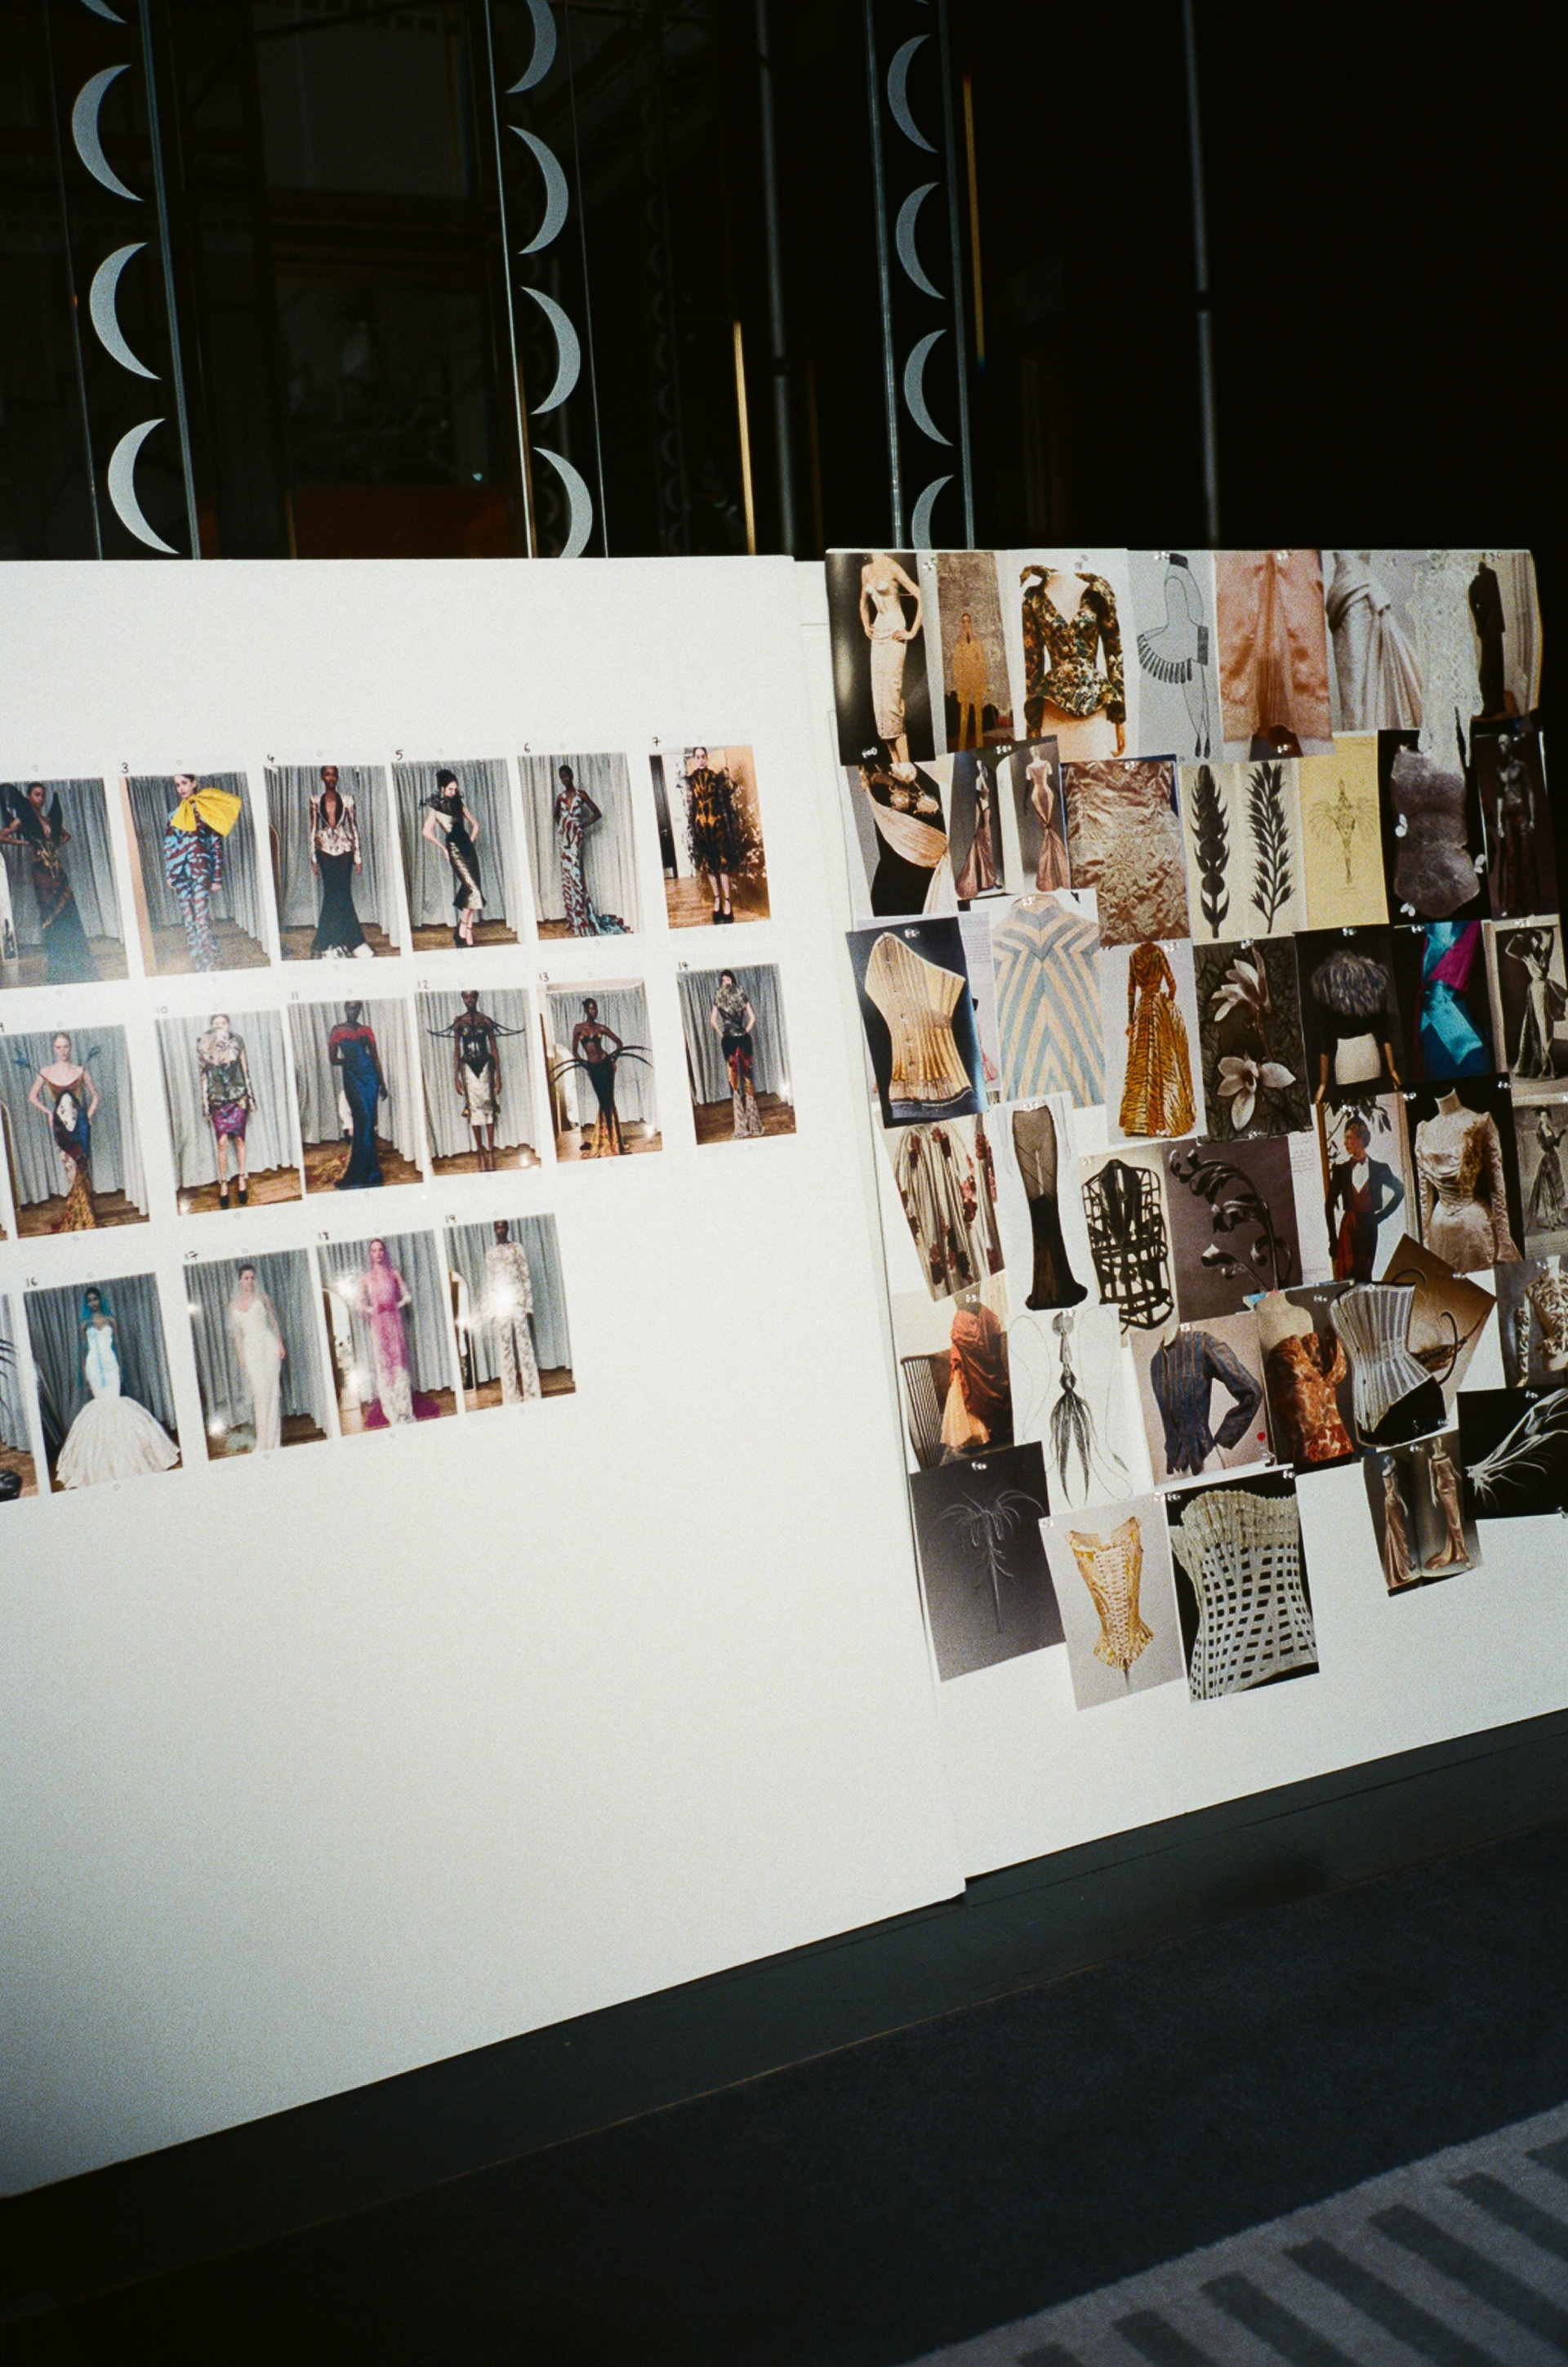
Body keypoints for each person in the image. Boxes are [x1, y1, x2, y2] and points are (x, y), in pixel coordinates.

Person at [56, 1286, 180, 1487]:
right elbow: (83, 1351)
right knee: (101, 1405)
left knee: (115, 1402)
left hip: (110, 1365)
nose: (93, 1303)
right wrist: (84, 1371)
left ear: (100, 1300)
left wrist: (121, 1368)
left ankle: (129, 1453)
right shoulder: (84, 1325)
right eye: (90, 1300)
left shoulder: (111, 1321)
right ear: (87, 1303)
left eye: (95, 1299)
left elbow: (118, 1347)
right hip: (94, 1367)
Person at [1, 782, 94, 982]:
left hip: (57, 869)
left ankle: (74, 958)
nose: (41, 799)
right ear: (29, 796)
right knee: (49, 911)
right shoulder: (23, 818)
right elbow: (3, 836)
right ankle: (58, 961)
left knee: (67, 909)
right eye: (37, 795)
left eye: (43, 795)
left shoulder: (48, 819)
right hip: (40, 870)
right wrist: (26, 843)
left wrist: (52, 845)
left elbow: (66, 835)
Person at [163, 772, 243, 971]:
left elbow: (216, 845)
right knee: (189, 921)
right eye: (177, 785)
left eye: (184, 783)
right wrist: (170, 874)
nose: (181, 788)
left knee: (201, 920)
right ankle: (199, 964)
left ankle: (213, 962)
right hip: (180, 873)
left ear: (194, 783)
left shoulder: (206, 811)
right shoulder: (174, 815)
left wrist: (217, 877)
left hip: (201, 872)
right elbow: (169, 846)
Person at [28, 1030, 99, 1231]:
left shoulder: (80, 1070)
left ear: (70, 1047)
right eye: (59, 1047)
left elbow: (95, 1096)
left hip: (80, 1127)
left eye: (66, 1046)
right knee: (70, 1169)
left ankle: (85, 1215)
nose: (63, 1051)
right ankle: (77, 1215)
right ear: (54, 1048)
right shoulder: (46, 1072)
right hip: (61, 1127)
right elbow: (32, 1096)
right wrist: (49, 1113)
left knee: (82, 1168)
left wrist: (88, 1117)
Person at [1325, 1112, 1405, 1282]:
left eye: (1349, 1138)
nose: (1345, 1142)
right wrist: (1333, 1240)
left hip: (1369, 1228)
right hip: (1348, 1228)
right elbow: (1329, 1204)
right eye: (1345, 1138)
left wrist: (1381, 1216)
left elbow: (1400, 1191)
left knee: (1365, 1275)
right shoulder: (1341, 1171)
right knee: (1348, 1279)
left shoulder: (1379, 1169)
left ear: (1361, 1139)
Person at [858, 553, 922, 764]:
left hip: (895, 630)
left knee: (892, 695)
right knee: (879, 696)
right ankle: (895, 763)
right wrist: (866, 624)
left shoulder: (892, 566)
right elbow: (863, 602)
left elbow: (920, 595)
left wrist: (912, 632)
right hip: (879, 632)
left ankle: (906, 765)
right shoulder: (866, 570)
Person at [554, 764, 628, 935]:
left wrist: (581, 826)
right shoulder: (560, 798)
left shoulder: (581, 795)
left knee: (576, 874)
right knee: (568, 876)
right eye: (562, 777)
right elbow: (556, 815)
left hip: (576, 838)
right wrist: (564, 827)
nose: (564, 779)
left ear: (571, 776)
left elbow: (597, 813)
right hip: (565, 839)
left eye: (566, 776)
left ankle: (583, 918)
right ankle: (574, 919)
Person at [310, 766, 371, 960]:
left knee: (344, 892)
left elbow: (354, 827)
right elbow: (313, 828)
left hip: (345, 848)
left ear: (337, 777)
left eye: (334, 774)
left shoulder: (348, 800)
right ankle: (329, 943)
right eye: (327, 774)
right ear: (322, 777)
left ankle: (352, 942)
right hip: (324, 848)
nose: (331, 778)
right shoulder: (314, 800)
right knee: (331, 893)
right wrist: (313, 858)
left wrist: (358, 857)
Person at [196, 1014, 255, 1208]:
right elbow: (204, 1077)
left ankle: (241, 1179)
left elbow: (245, 1071)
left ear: (228, 1025)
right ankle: (223, 1184)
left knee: (240, 1140)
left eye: (223, 1023)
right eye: (216, 1023)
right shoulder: (204, 1047)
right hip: (218, 1100)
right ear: (211, 1027)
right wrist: (206, 1106)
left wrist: (251, 1100)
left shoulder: (237, 1042)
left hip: (238, 1098)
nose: (220, 1026)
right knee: (222, 1143)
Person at [354, 1237, 415, 1424]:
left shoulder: (394, 1273)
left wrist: (396, 1305)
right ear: (370, 1254)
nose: (378, 1253)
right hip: (378, 1326)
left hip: (394, 1323)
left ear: (384, 1252)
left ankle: (404, 1409)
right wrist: (373, 1309)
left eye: (380, 1250)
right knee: (384, 1366)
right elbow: (358, 1304)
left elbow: (407, 1296)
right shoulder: (366, 1278)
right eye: (374, 1250)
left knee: (399, 1364)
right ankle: (391, 1411)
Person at [421, 769, 484, 947]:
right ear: (442, 789)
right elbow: (426, 832)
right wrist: (444, 849)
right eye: (450, 789)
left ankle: (467, 929)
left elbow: (476, 825)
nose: (453, 792)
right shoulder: (436, 809)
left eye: (455, 789)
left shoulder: (459, 805)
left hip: (468, 850)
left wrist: (469, 842)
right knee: (471, 889)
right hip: (454, 850)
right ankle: (463, 928)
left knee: (474, 887)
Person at [480, 1219, 541, 1402]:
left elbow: (525, 1275)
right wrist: (492, 1309)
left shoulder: (517, 1248)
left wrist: (528, 1304)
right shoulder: (490, 1253)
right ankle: (511, 1395)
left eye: (503, 1227)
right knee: (505, 1349)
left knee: (524, 1346)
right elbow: (490, 1282)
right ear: (494, 1230)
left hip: (518, 1302)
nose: (500, 1231)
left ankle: (532, 1393)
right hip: (501, 1306)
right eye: (497, 1228)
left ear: (507, 1228)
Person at [327, 1001, 386, 1188]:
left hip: (370, 1077)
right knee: (362, 1119)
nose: (353, 1011)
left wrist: (382, 1083)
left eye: (356, 1008)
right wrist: (349, 1061)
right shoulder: (337, 1030)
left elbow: (375, 1057)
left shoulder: (366, 1030)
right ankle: (358, 1171)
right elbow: (333, 1059)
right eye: (350, 1008)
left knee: (368, 1123)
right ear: (345, 1009)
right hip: (352, 1078)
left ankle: (371, 1172)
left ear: (360, 1010)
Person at [228, 1263, 285, 1451]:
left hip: (269, 1347)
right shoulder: (233, 1306)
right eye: (246, 1278)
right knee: (260, 1394)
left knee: (272, 1393)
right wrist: (241, 1356)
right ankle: (263, 1442)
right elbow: (237, 1335)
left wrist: (280, 1343)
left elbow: (273, 1322)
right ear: (240, 1280)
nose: (250, 1281)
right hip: (250, 1351)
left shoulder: (263, 1298)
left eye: (252, 1278)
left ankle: (273, 1442)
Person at [683, 747, 743, 925]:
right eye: (697, 757)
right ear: (694, 760)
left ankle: (727, 902)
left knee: (723, 865)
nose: (701, 760)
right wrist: (693, 828)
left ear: (707, 758)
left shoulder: (716, 777)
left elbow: (725, 801)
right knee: (708, 866)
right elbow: (692, 807)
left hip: (717, 827)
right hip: (701, 829)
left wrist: (727, 826)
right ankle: (717, 900)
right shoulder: (691, 781)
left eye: (703, 756)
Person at [569, 996, 626, 1157]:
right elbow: (575, 1051)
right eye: (592, 1008)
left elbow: (619, 1043)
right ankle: (607, 1139)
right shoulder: (578, 1028)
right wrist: (585, 1065)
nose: (595, 1011)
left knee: (609, 1102)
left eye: (596, 1008)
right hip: (593, 1068)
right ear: (586, 1010)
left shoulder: (600, 1028)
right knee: (603, 1102)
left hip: (606, 1065)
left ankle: (613, 1142)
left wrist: (613, 1060)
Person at [452, 990, 501, 1171]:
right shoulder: (459, 1023)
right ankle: (480, 1151)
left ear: (477, 998)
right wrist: (456, 1078)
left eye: (472, 996)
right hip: (468, 1068)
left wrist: (498, 1076)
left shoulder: (485, 1021)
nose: (469, 1000)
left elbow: (494, 1049)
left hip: (486, 1066)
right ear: (462, 999)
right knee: (473, 1109)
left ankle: (490, 1151)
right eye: (466, 997)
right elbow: (457, 1050)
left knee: (488, 1107)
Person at [710, 970, 762, 1139]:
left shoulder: (719, 996)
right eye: (724, 980)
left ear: (731, 981)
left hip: (729, 1041)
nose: (726, 983)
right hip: (743, 1039)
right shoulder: (740, 994)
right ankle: (753, 1123)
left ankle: (742, 1125)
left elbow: (713, 1021)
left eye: (728, 980)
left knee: (735, 1080)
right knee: (746, 1078)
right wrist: (745, 1031)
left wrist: (723, 1034)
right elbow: (752, 1018)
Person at [951, 609, 987, 749]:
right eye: (963, 622)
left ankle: (980, 745)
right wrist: (959, 685)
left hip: (976, 680)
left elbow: (982, 663)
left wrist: (983, 683)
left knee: (978, 714)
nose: (966, 624)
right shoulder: (959, 644)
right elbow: (956, 666)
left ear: (971, 623)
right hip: (964, 682)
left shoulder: (977, 642)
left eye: (968, 621)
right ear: (961, 624)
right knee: (964, 715)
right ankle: (962, 746)